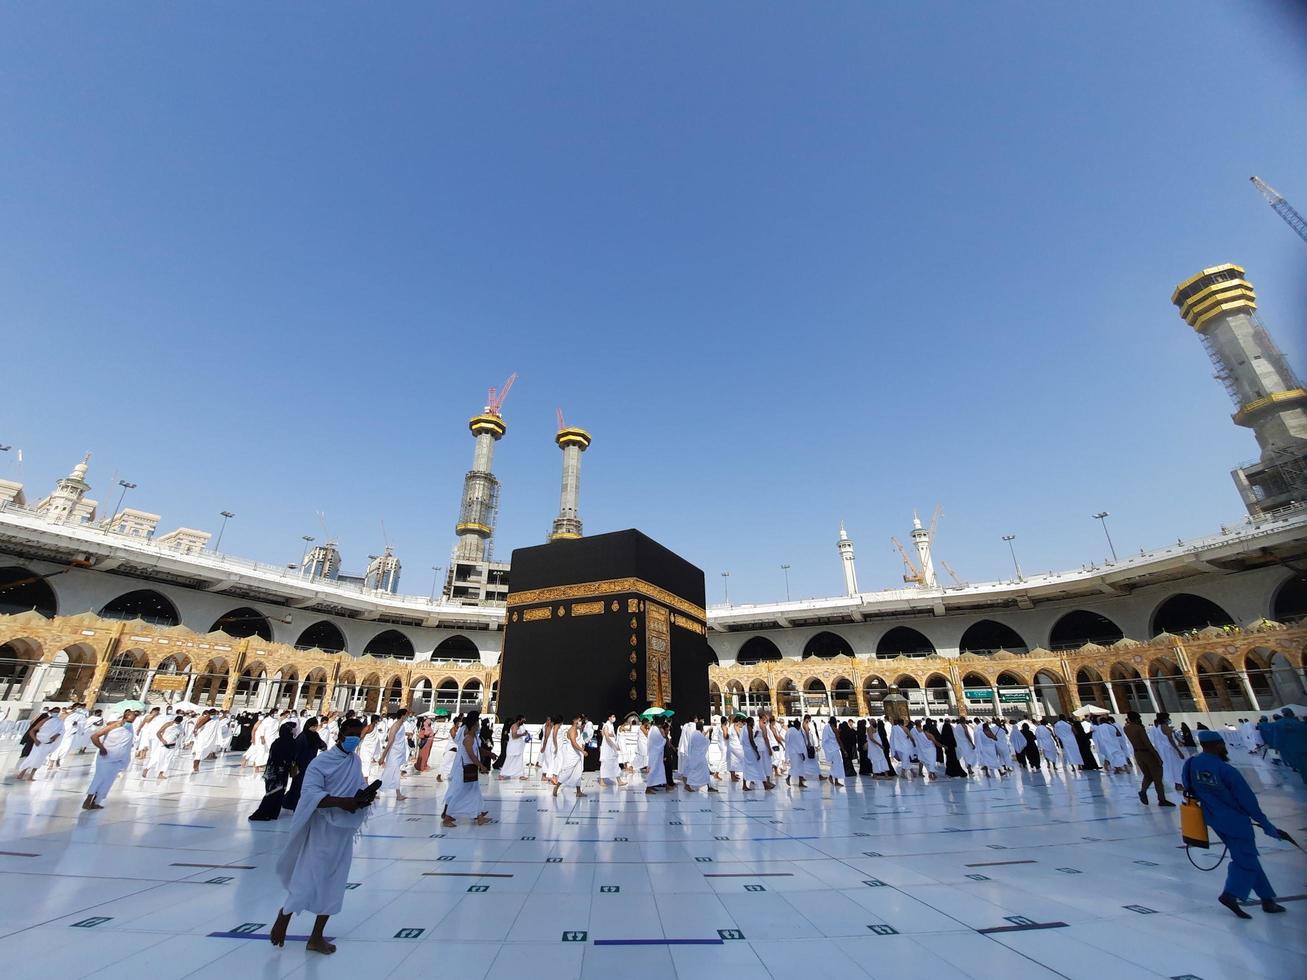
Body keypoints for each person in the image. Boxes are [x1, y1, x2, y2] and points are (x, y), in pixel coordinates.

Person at [270, 717, 378, 954]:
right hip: (322, 829)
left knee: (335, 883)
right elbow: (310, 795)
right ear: (340, 734)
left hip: (343, 831)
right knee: (309, 875)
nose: (353, 739)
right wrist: (343, 802)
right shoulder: (322, 763)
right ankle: (284, 915)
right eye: (350, 734)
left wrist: (363, 798)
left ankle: (316, 937)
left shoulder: (355, 761)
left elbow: (357, 785)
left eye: (357, 736)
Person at [1182, 729, 1289, 918]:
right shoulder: (1226, 770)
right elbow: (1247, 801)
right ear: (1219, 745)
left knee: (1247, 857)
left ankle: (1267, 899)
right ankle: (1231, 894)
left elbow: (1188, 787)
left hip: (1212, 817)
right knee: (1245, 860)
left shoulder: (1191, 764)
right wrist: (1266, 824)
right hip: (1235, 820)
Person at [82, 709, 139, 810]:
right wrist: (102, 748)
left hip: (118, 759)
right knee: (99, 778)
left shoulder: (129, 728)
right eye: (130, 720)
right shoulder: (114, 726)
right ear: (125, 717)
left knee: (108, 781)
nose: (132, 722)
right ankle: (88, 800)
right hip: (106, 757)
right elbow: (94, 736)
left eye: (133, 720)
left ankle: (96, 801)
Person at [442, 711, 491, 826]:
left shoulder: (473, 737)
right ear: (474, 724)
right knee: (459, 793)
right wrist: (481, 766)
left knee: (474, 793)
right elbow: (471, 755)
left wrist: (489, 754)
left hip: (470, 769)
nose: (479, 725)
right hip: (464, 770)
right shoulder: (468, 738)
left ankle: (479, 816)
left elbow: (477, 750)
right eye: (477, 723)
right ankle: (447, 817)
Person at [250, 722, 298, 820]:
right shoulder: (287, 742)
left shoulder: (279, 741)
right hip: (277, 772)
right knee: (272, 793)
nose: (295, 730)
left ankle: (272, 813)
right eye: (293, 728)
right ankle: (262, 813)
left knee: (278, 792)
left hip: (276, 771)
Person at [1123, 711, 1173, 806]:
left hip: (1137, 753)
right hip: (1146, 753)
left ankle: (1143, 791)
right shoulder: (1139, 729)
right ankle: (1161, 799)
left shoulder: (1126, 728)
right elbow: (1147, 743)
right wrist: (1157, 756)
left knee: (1148, 775)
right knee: (1157, 777)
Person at [285, 718, 327, 810]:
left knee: (306, 784)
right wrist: (295, 764)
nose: (315, 728)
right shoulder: (302, 736)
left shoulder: (315, 735)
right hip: (301, 764)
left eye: (316, 726)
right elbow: (296, 751)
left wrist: (323, 746)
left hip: (311, 763)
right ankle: (293, 803)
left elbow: (321, 744)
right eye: (313, 726)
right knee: (297, 784)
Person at [17, 707, 62, 780]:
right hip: (39, 742)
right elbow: (32, 731)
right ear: (51, 711)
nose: (56, 713)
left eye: (58, 711)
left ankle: (31, 776)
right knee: (32, 758)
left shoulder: (60, 722)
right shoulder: (44, 720)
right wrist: (35, 740)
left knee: (40, 760)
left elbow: (61, 731)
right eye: (55, 711)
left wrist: (56, 735)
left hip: (48, 744)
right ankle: (22, 773)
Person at [1148, 713, 1186, 792]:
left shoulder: (1157, 727)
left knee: (1171, 767)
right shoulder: (1166, 728)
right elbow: (1171, 741)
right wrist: (1179, 751)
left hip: (1163, 751)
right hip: (1170, 750)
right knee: (1177, 767)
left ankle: (1177, 784)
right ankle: (1178, 784)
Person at [379, 709, 410, 802]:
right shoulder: (395, 725)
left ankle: (398, 794)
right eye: (406, 715)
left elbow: (399, 736)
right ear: (402, 715)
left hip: (399, 752)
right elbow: (390, 741)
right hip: (393, 753)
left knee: (395, 772)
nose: (407, 717)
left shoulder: (401, 725)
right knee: (390, 772)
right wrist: (383, 757)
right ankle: (376, 790)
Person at [553, 714, 586, 798]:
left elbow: (579, 741)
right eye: (579, 720)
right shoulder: (572, 730)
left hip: (577, 754)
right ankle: (557, 786)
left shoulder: (578, 730)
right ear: (575, 721)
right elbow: (574, 743)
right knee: (567, 772)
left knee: (578, 772)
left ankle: (578, 791)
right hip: (571, 754)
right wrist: (582, 751)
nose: (580, 722)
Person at [1270, 708, 1306, 784]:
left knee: (1300, 766)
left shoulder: (1278, 724)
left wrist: (1276, 747)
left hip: (1289, 748)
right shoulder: (1298, 722)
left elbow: (1277, 737)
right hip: (1302, 746)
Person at [681, 721, 715, 792]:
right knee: (701, 772)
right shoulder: (699, 735)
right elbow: (707, 742)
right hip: (699, 758)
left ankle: (708, 786)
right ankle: (688, 786)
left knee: (694, 772)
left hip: (693, 756)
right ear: (701, 727)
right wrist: (710, 733)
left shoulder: (694, 734)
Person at [500, 715, 529, 781]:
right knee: (509, 760)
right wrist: (523, 734)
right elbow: (514, 736)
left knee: (519, 761)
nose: (523, 721)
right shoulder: (515, 726)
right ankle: (502, 774)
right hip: (513, 747)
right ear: (519, 720)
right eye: (522, 720)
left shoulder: (520, 726)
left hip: (518, 747)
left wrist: (525, 734)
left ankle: (520, 775)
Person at [597, 714, 623, 786]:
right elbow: (607, 737)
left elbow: (612, 736)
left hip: (612, 747)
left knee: (615, 762)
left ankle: (619, 780)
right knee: (605, 763)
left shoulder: (611, 725)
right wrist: (614, 745)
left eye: (614, 717)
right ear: (609, 718)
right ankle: (601, 780)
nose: (614, 718)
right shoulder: (606, 725)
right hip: (607, 747)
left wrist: (616, 745)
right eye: (613, 717)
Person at [644, 717, 668, 793]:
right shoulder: (655, 730)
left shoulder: (653, 729)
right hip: (655, 753)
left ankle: (652, 785)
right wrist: (664, 739)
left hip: (654, 752)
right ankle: (648, 788)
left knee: (657, 769)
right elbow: (660, 740)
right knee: (653, 769)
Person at [821, 717, 845, 787]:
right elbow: (838, 739)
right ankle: (833, 778)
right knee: (837, 764)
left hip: (829, 749)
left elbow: (825, 739)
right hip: (834, 749)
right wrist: (843, 750)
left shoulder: (826, 727)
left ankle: (833, 778)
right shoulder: (834, 729)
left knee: (835, 764)